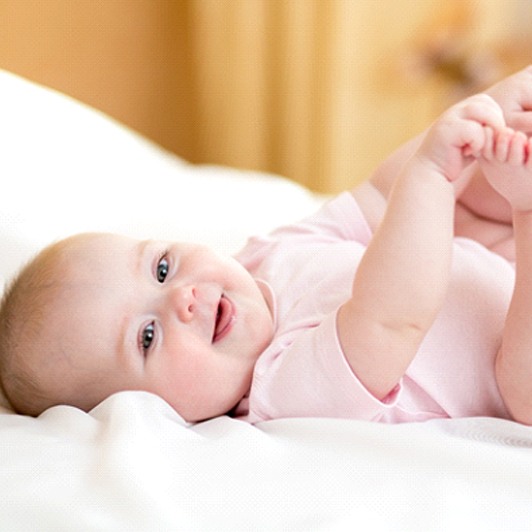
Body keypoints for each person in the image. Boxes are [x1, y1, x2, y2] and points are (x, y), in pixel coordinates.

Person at [2, 67, 532, 425]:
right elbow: (392, 318)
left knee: (484, 184)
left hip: (498, 277)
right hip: (519, 387)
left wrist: (480, 119)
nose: (180, 298)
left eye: (161, 268)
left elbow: (375, 198)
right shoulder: (282, 389)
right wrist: (435, 173)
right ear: (151, 412)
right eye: (146, 336)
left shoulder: (267, 257)